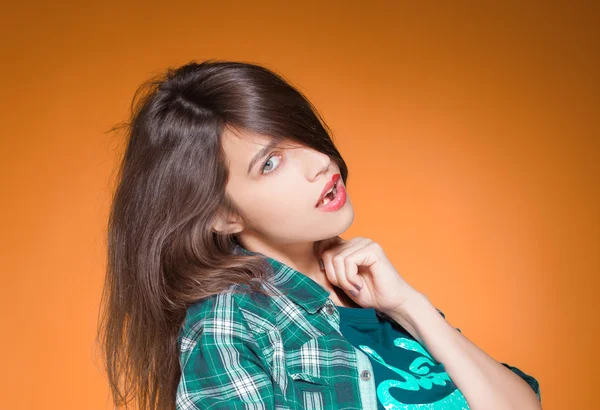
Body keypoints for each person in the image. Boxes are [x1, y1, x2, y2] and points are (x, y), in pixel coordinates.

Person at [97, 60, 542, 410]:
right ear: (223, 216)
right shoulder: (230, 327)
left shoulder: (372, 292)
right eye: (269, 163)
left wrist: (410, 306)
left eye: (298, 135)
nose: (318, 162)